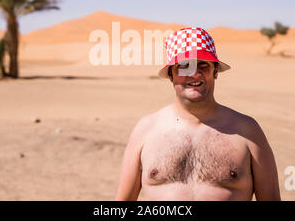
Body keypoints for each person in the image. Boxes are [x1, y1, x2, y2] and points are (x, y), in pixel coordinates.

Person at [115, 27, 281, 201]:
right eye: (184, 66)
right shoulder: (146, 129)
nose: (194, 73)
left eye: (203, 64)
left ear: (215, 71)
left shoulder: (247, 130)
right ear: (171, 75)